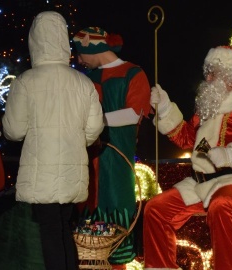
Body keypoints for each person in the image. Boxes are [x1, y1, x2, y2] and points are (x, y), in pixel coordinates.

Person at [143, 46, 232, 270]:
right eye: (208, 71)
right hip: (198, 182)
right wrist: (165, 109)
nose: (208, 77)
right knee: (155, 209)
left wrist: (230, 154)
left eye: (214, 72)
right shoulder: (208, 106)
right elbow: (189, 140)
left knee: (222, 205)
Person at [2, 11, 104, 270]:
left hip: (41, 171)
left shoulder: (25, 82)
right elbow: (94, 128)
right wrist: (75, 141)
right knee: (62, 228)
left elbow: (13, 130)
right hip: (72, 168)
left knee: (50, 232)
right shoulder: (82, 82)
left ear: (34, 41)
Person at [72, 27, 151, 268]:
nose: (78, 59)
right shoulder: (88, 79)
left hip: (117, 160)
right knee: (88, 217)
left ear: (95, 48)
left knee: (116, 209)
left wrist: (98, 121)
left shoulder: (133, 73)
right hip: (90, 160)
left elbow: (134, 112)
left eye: (80, 52)